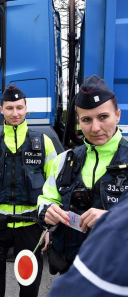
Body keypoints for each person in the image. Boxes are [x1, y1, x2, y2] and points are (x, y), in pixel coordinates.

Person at [0, 84, 57, 297]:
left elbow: (54, 190)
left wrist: (49, 229)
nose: (15, 113)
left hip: (31, 228)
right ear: (1, 110)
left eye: (19, 107)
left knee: (29, 287)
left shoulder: (44, 143)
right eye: (9, 108)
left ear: (26, 108)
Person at [38, 75, 127, 274]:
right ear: (79, 121)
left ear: (118, 115)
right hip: (71, 273)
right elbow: (45, 199)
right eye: (87, 120)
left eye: (103, 117)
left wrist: (114, 218)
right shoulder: (64, 160)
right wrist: (47, 211)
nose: (95, 128)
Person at [47, 190, 128, 297]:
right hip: (67, 263)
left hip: (106, 264)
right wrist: (46, 210)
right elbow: (49, 195)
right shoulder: (60, 172)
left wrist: (113, 217)